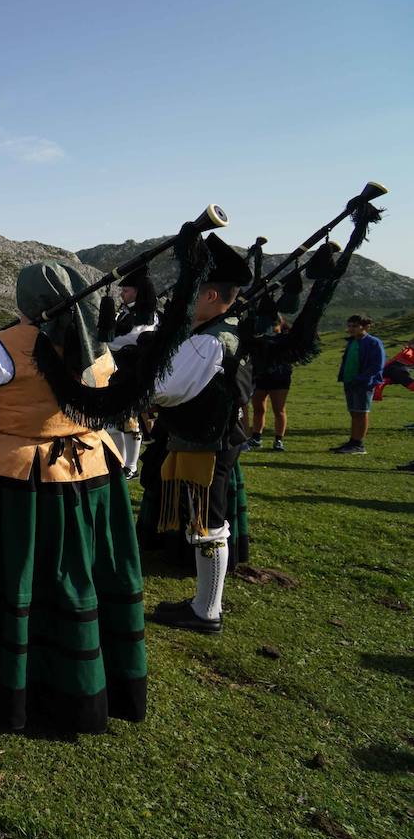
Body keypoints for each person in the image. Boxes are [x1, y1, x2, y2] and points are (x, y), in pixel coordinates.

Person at [0, 262, 163, 734]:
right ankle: (78, 672)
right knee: (77, 573)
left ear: (24, 302)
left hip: (10, 478)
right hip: (89, 471)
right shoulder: (97, 348)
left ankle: (2, 669)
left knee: (14, 570)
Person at [142, 236, 255, 634]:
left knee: (207, 525)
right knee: (204, 522)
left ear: (210, 294)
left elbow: (163, 388)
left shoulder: (209, 340)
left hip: (205, 446)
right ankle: (203, 604)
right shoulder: (227, 329)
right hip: (210, 440)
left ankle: (207, 612)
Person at [105, 268, 158, 478]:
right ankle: (121, 462)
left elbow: (131, 339)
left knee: (130, 422)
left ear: (137, 292)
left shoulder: (147, 315)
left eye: (126, 290)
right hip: (119, 372)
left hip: (133, 373)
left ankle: (132, 466)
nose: (121, 294)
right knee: (115, 424)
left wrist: (103, 341)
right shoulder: (127, 312)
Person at [332, 315, 385, 455]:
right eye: (349, 326)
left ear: (365, 326)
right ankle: (353, 441)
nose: (351, 329)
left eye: (354, 326)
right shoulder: (352, 342)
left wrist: (362, 379)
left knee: (361, 413)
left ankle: (359, 444)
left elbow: (377, 365)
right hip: (349, 382)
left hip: (363, 384)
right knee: (354, 412)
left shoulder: (374, 342)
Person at [248, 316, 293, 451]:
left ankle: (278, 440)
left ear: (280, 324)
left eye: (274, 324)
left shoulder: (286, 339)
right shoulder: (259, 338)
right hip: (261, 376)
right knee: (258, 408)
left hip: (279, 377)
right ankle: (256, 437)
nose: (271, 328)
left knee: (279, 409)